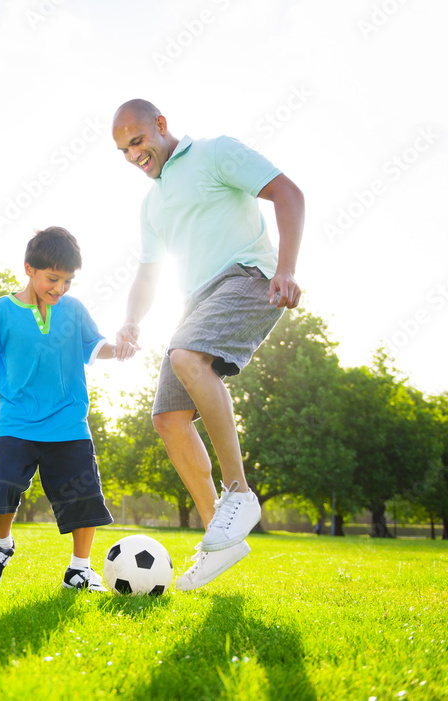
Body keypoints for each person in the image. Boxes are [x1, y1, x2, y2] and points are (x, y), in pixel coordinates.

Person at [111, 99, 305, 591]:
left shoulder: (216, 152)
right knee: (167, 419)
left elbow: (288, 192)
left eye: (137, 141)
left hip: (247, 276)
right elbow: (149, 272)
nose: (134, 155)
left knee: (186, 357)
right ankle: (220, 539)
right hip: (196, 300)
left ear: (160, 125)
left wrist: (285, 268)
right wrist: (132, 320)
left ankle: (238, 493)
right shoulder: (151, 205)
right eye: (123, 150)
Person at [0, 226, 128, 591]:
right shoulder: (1, 311)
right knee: (3, 487)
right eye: (53, 278)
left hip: (68, 422)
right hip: (16, 421)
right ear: (29, 269)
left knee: (84, 496)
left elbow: (94, 347)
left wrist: (120, 348)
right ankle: (1, 545)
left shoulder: (73, 310)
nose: (60, 289)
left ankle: (79, 569)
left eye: (67, 281)